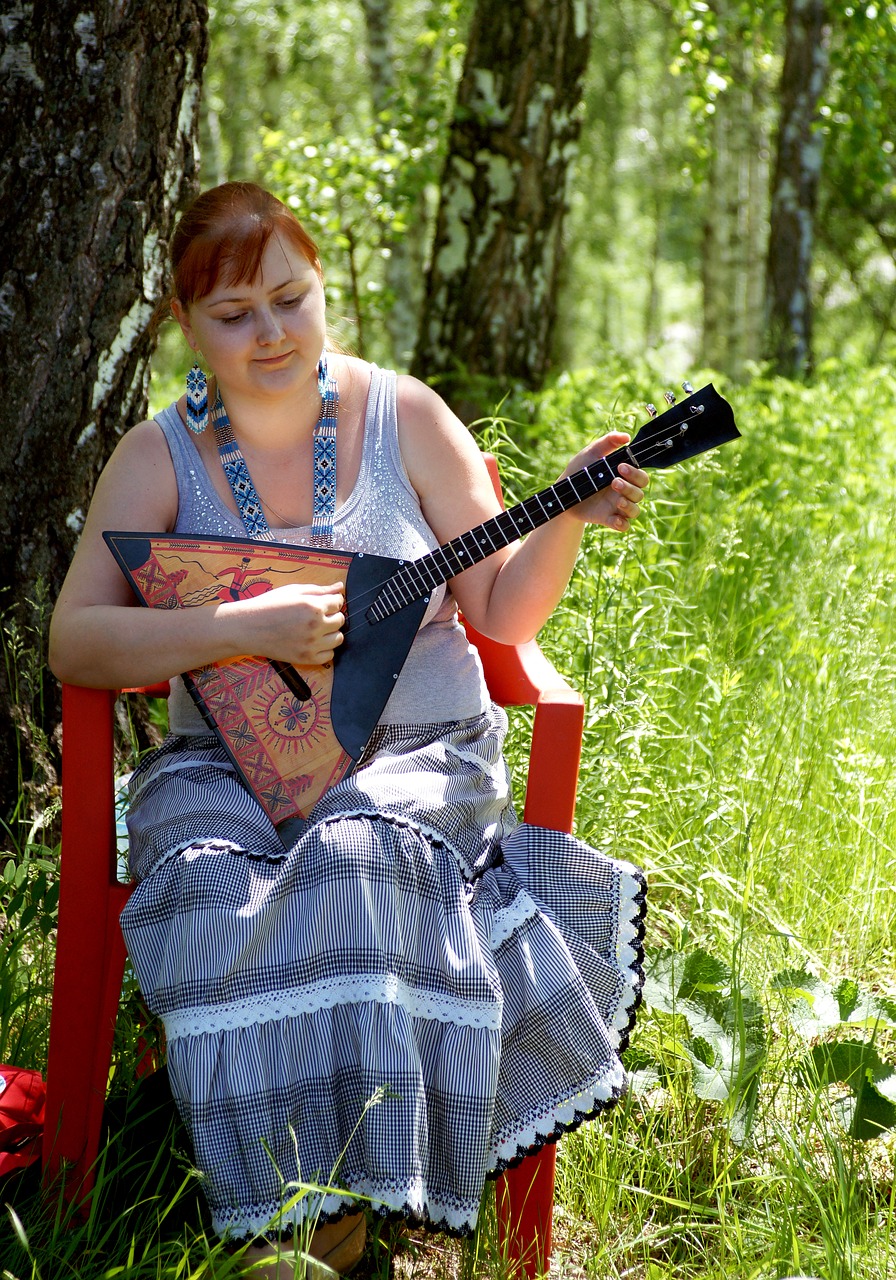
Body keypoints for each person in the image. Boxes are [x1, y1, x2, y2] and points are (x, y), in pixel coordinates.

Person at [49, 182, 649, 1278]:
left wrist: (560, 511)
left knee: (356, 852)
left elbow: (501, 611)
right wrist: (242, 626)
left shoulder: (404, 418)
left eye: (292, 297)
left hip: (417, 753)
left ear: (323, 290)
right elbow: (75, 642)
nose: (270, 332)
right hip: (221, 763)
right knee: (202, 878)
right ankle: (268, 1207)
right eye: (233, 314)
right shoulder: (157, 455)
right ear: (186, 324)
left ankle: (332, 1232)